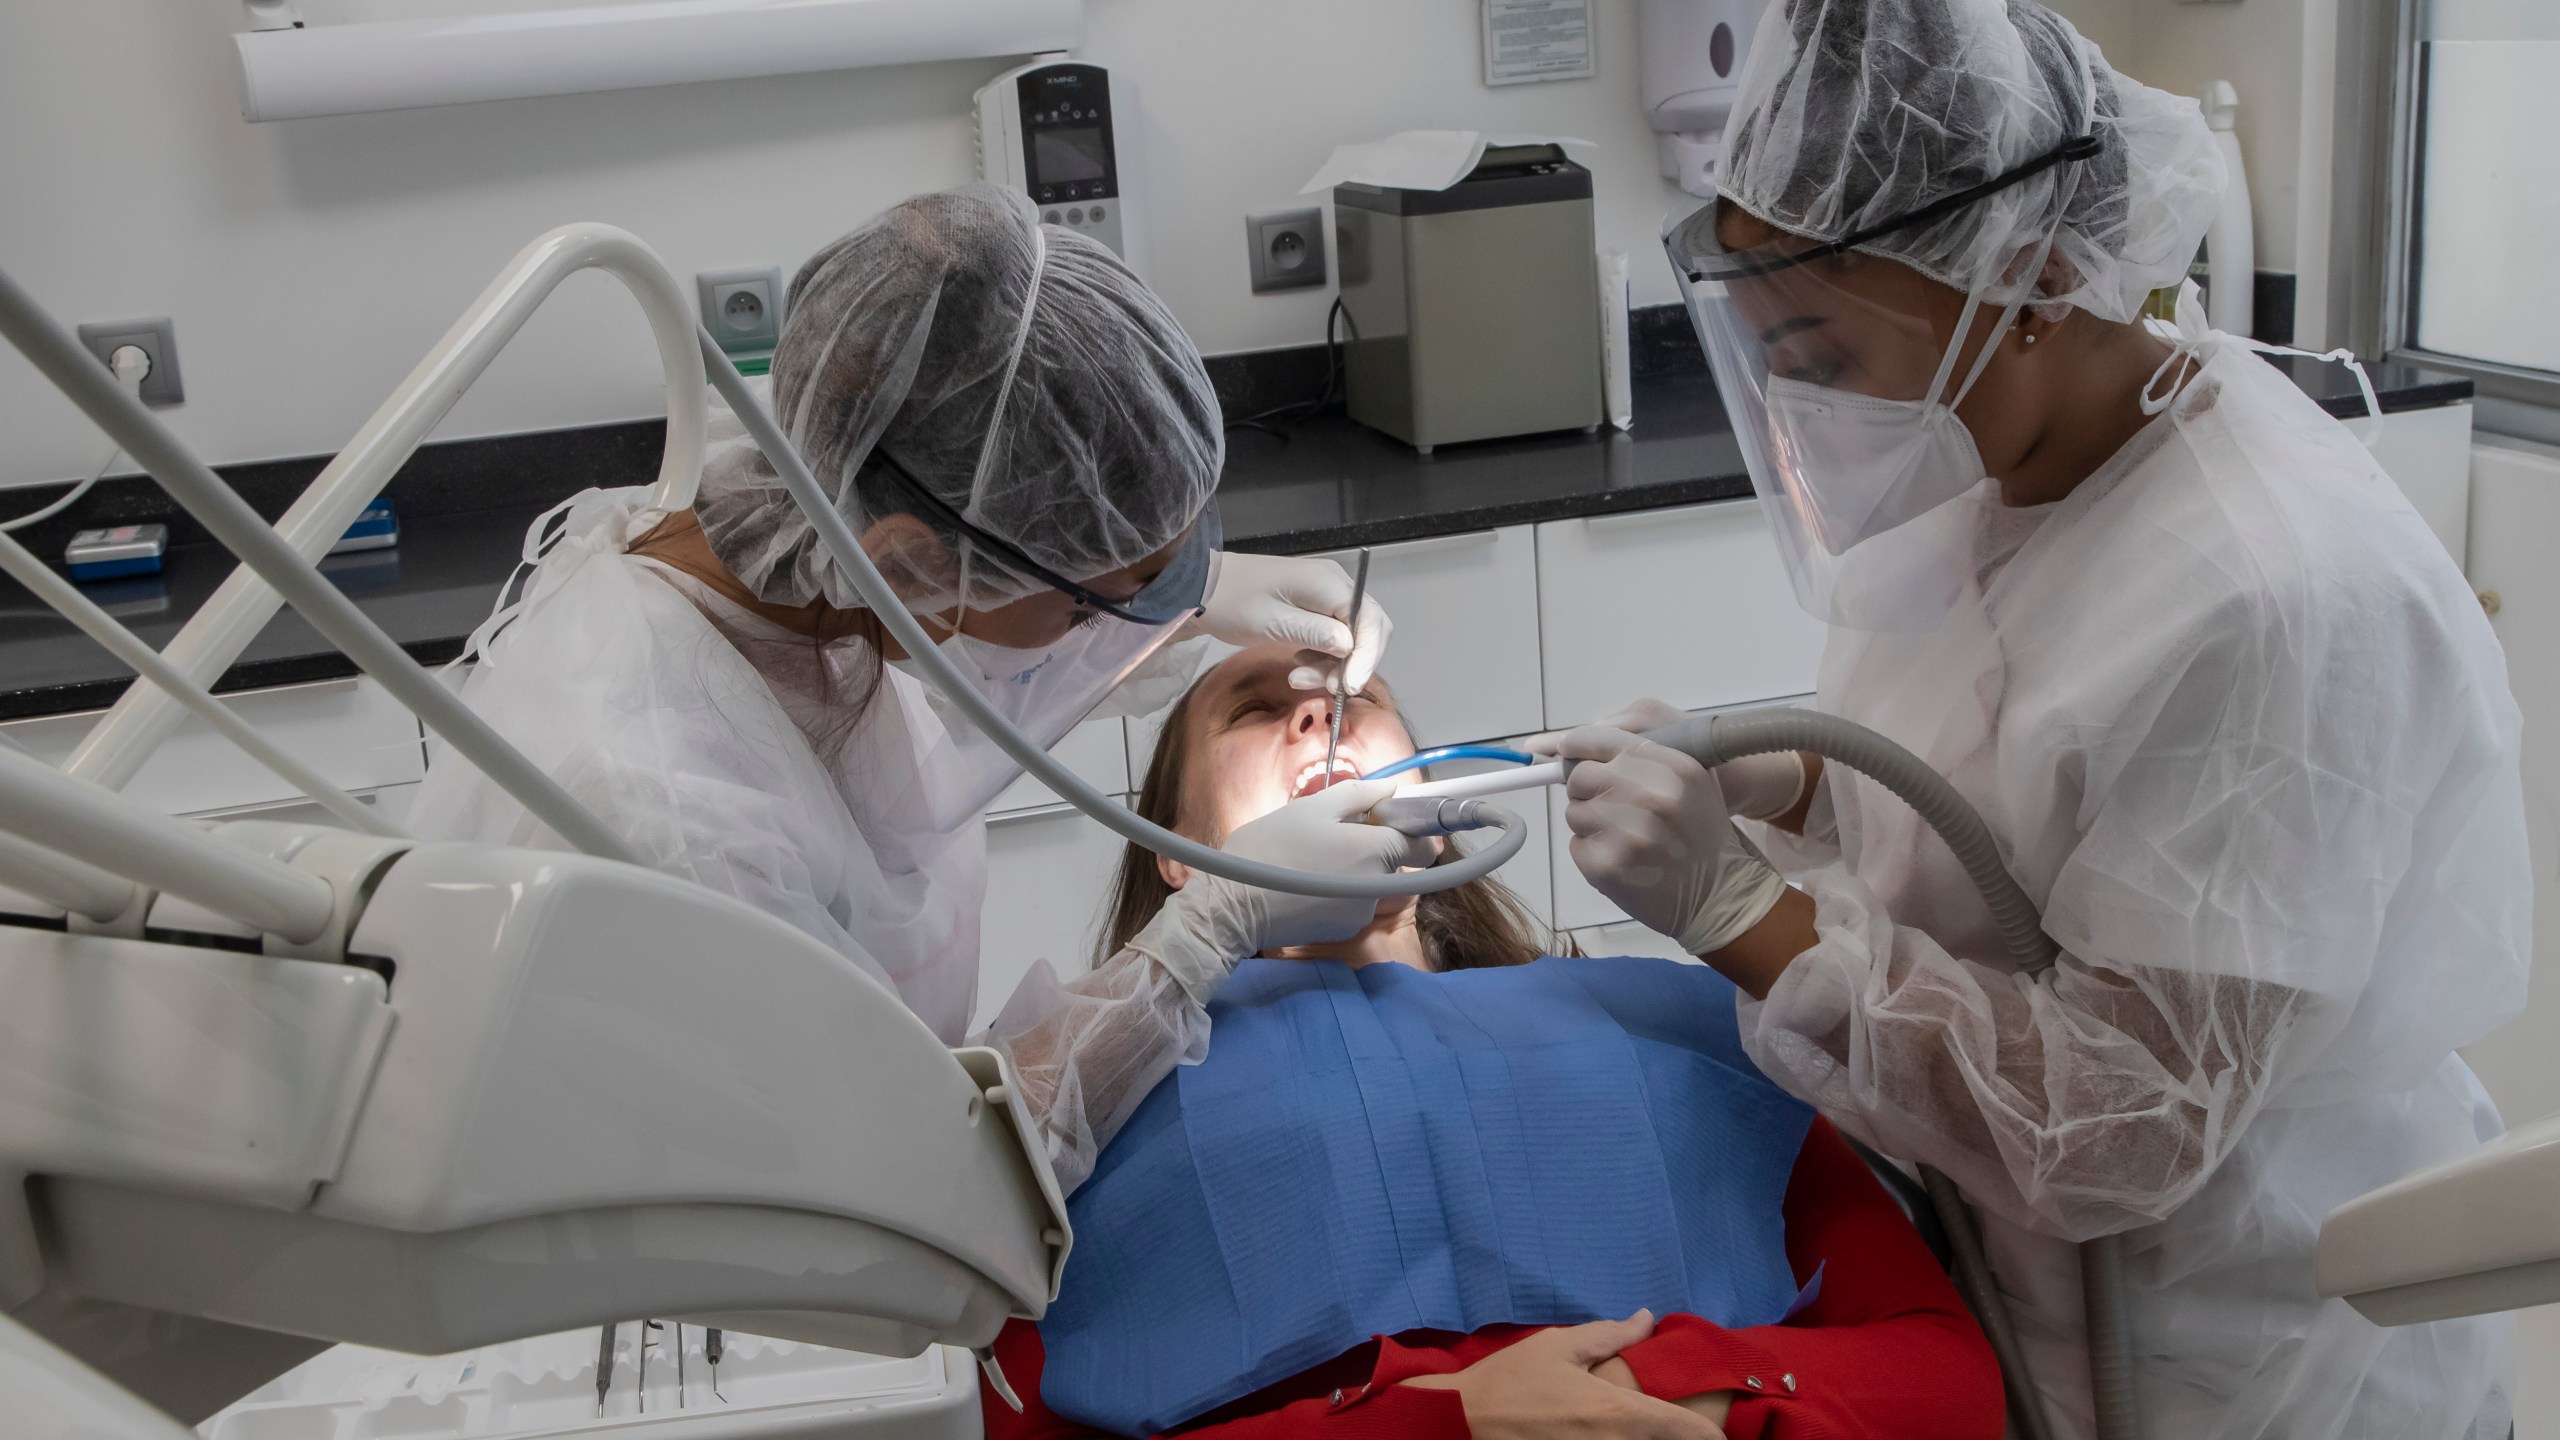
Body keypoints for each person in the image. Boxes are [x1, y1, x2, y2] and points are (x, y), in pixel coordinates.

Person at [1548, 3, 2530, 1437]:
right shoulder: (1996, 472)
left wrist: (1741, 911)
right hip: (2020, 1299)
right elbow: (2015, 832)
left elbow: (2126, 1122)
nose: (1800, 408)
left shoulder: (2266, 599)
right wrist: (1800, 789)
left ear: (2038, 276)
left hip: (2245, 1367)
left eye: (1819, 351)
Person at [409, 183, 1407, 1057]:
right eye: (1102, 596)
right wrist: (1207, 935)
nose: (1312, 715)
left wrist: (1191, 600)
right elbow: (906, 1173)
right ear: (915, 564)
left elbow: (980, 652)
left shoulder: (810, 558)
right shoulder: (678, 826)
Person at [977, 645, 2007, 1440]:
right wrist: (1446, 1419)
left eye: (1356, 699)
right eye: (1256, 710)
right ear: (1177, 856)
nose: (1314, 709)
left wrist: (1666, 1398)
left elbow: (1946, 1382)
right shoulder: (1078, 1109)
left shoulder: (1683, 1029)